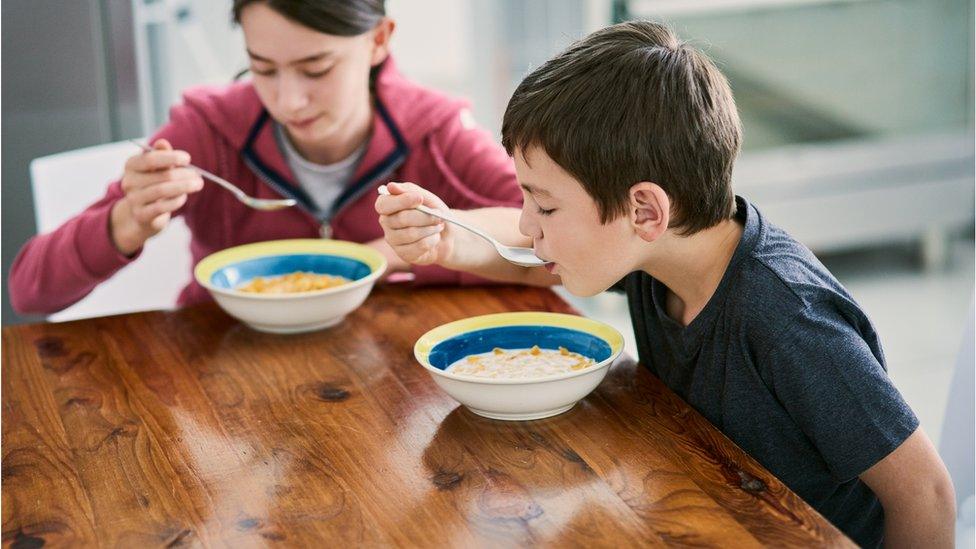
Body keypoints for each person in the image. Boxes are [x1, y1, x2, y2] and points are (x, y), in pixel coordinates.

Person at [374, 20, 956, 547]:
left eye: (545, 207)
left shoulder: (789, 320)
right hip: (702, 504)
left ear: (645, 212)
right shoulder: (663, 252)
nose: (528, 224)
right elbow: (524, 251)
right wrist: (450, 240)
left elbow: (925, 493)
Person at [10, 0, 520, 315]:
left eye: (315, 67)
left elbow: (547, 244)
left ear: (378, 40)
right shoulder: (204, 131)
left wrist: (408, 249)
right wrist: (125, 222)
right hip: (219, 397)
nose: (288, 100)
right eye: (263, 68)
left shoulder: (438, 132)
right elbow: (28, 292)